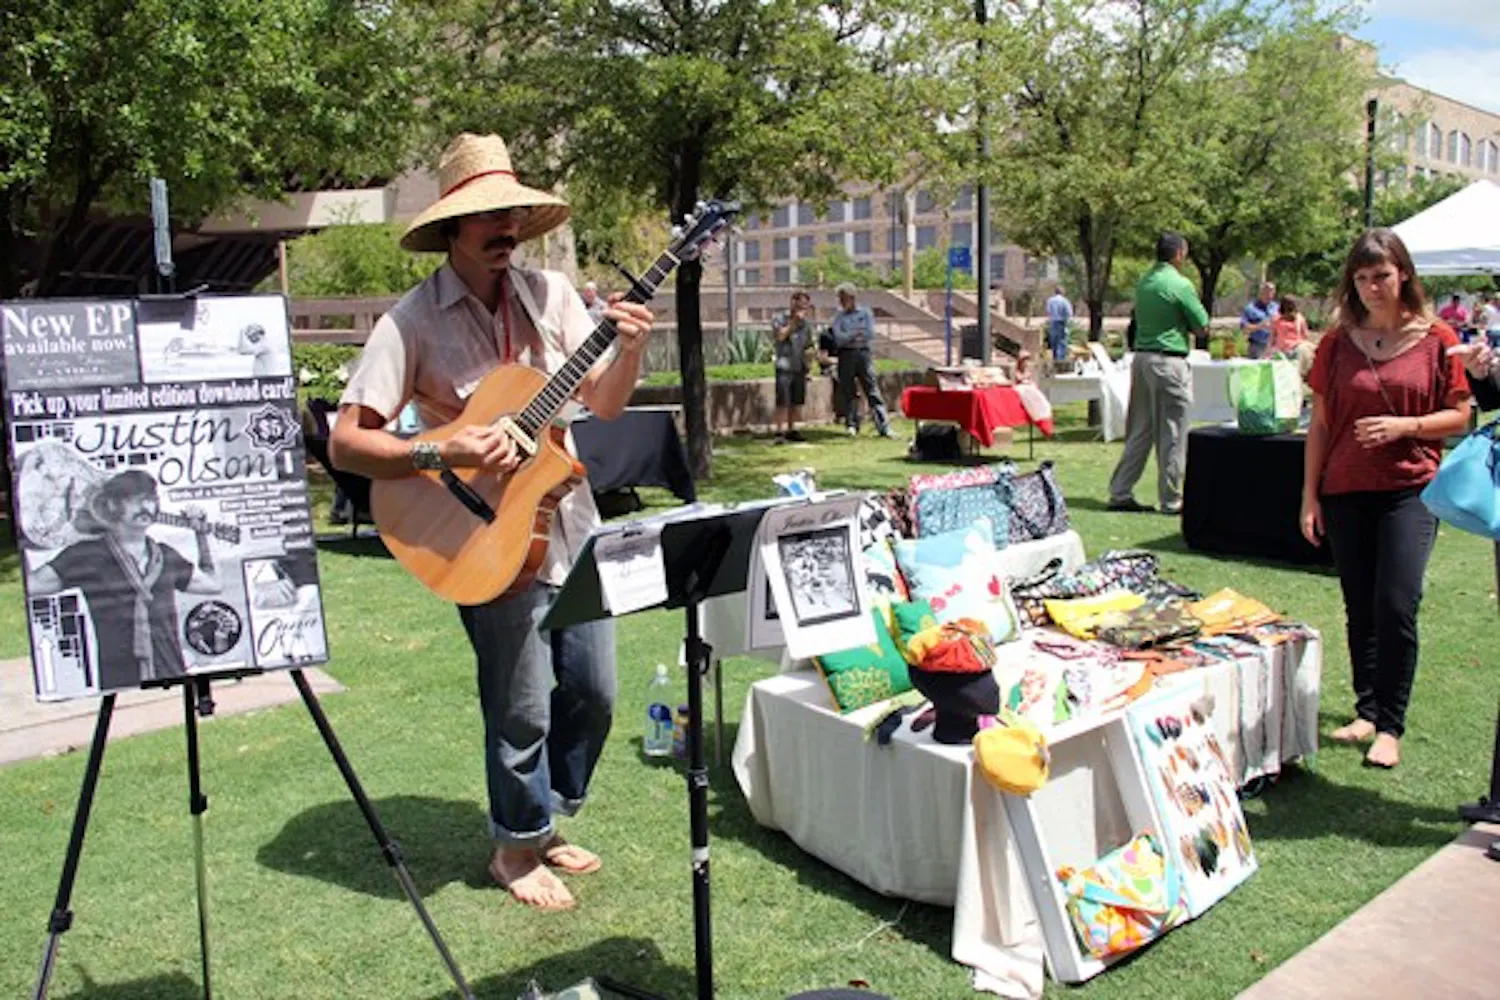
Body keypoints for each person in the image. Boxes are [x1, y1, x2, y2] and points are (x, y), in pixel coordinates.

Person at [330, 132, 655, 911]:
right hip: (477, 534)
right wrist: (439, 450)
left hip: (567, 521)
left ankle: (543, 819)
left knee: (596, 692)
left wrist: (634, 350)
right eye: (487, 217)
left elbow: (602, 403)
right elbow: (347, 441)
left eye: (513, 214)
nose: (504, 228)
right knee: (521, 703)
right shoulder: (410, 322)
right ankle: (514, 849)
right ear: (452, 229)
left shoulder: (552, 298)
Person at [1300, 228, 1471, 770]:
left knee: (1396, 603)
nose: (1373, 286)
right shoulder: (1336, 342)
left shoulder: (1438, 338)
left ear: (1404, 274)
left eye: (1382, 275)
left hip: (1411, 488)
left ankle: (1391, 726)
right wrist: (1310, 495)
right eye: (1362, 277)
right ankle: (1367, 710)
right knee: (1360, 605)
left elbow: (1461, 416)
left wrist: (1405, 426)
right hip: (1346, 488)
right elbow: (1321, 426)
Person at [29, 471, 221, 691]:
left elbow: (213, 584)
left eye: (151, 499)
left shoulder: (166, 556)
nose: (147, 507)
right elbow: (32, 586)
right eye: (137, 500)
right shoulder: (87, 555)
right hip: (120, 681)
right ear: (112, 505)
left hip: (171, 673)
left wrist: (202, 535)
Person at [1107, 231, 1209, 515]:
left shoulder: (1145, 281)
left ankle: (1120, 490)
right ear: (1179, 254)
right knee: (1173, 432)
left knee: (1140, 429)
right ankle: (1171, 499)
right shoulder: (1179, 284)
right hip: (1169, 360)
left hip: (1141, 359)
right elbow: (1201, 325)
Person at [828, 282, 892, 437]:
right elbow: (838, 338)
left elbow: (869, 334)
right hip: (845, 355)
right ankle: (851, 424)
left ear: (852, 297)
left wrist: (849, 334)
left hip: (863, 353)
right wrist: (855, 333)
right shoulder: (838, 317)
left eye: (844, 298)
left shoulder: (865, 313)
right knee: (848, 391)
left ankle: (883, 426)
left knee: (871, 389)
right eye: (840, 299)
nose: (842, 302)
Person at [770, 290, 815, 442]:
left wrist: (809, 365)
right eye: (800, 304)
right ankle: (779, 431)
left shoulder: (806, 324)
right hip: (784, 364)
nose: (802, 309)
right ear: (793, 303)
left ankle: (792, 429)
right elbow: (780, 336)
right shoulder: (780, 318)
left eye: (805, 306)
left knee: (797, 400)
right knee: (782, 400)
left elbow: (808, 345)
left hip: (799, 365)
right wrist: (793, 322)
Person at [1271, 294, 1315, 378]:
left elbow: (1305, 335)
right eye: (1287, 303)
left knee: (1307, 350)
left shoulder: (1299, 318)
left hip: (1296, 347)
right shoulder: (1277, 319)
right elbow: (1272, 336)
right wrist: (1268, 351)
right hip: (1281, 349)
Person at [1239, 281, 1279, 360]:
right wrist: (1260, 326)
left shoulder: (1277, 308)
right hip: (1257, 347)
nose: (1269, 293)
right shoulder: (1251, 308)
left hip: (1274, 347)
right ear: (1261, 292)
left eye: (1272, 291)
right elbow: (1244, 328)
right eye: (1267, 290)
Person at [1044, 285, 1074, 364]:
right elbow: (1069, 313)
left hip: (1052, 323)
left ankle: (1055, 359)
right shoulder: (1064, 301)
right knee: (1061, 342)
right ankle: (1060, 361)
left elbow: (1048, 311)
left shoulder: (1050, 300)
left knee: (1054, 342)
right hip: (1061, 322)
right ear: (1062, 292)